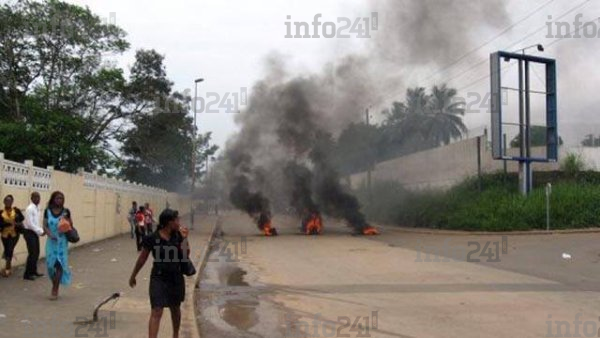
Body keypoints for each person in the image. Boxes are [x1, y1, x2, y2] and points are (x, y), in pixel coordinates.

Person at [129, 209, 190, 338]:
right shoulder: (152, 238)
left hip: (175, 277)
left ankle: (175, 334)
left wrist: (184, 239)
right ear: (169, 222)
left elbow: (185, 255)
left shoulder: (178, 236)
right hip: (158, 277)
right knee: (157, 310)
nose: (179, 222)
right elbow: (142, 258)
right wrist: (133, 275)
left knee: (175, 308)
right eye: (176, 220)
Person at [43, 191, 72, 300]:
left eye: (62, 198)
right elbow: (44, 225)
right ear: (53, 199)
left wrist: (65, 221)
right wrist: (50, 234)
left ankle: (55, 289)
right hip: (51, 242)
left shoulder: (66, 211)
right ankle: (55, 283)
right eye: (58, 198)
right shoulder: (47, 211)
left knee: (59, 265)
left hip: (62, 243)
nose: (60, 200)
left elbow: (71, 225)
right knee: (51, 266)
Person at [23, 192, 45, 280]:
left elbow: (36, 222)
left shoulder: (37, 208)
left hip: (34, 232)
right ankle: (27, 274)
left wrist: (39, 231)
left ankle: (33, 271)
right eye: (35, 197)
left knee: (36, 252)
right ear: (31, 198)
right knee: (32, 253)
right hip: (29, 232)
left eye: (38, 197)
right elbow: (30, 224)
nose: (37, 199)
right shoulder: (30, 208)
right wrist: (40, 231)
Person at [0, 195, 24, 277]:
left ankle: (7, 268)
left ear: (12, 202)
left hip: (15, 234)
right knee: (8, 249)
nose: (8, 202)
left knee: (10, 249)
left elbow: (22, 218)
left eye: (10, 201)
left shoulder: (16, 210)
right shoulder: (1, 212)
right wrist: (9, 223)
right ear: (4, 202)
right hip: (4, 235)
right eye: (6, 201)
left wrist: (17, 219)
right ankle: (8, 267)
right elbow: (0, 223)